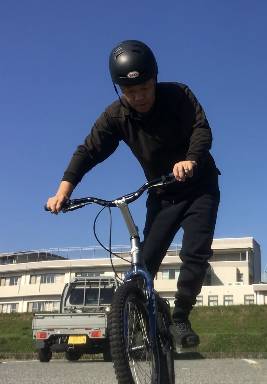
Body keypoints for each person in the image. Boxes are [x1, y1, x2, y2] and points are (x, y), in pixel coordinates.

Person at [46, 40, 220, 348]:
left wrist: (191, 159)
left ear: (155, 79)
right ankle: (142, 317)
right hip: (161, 193)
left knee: (195, 252)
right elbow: (88, 151)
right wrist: (63, 191)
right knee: (144, 264)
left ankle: (180, 316)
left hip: (199, 186)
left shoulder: (178, 94)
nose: (138, 97)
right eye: (129, 91)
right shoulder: (116, 116)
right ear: (119, 90)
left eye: (144, 88)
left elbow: (200, 129)